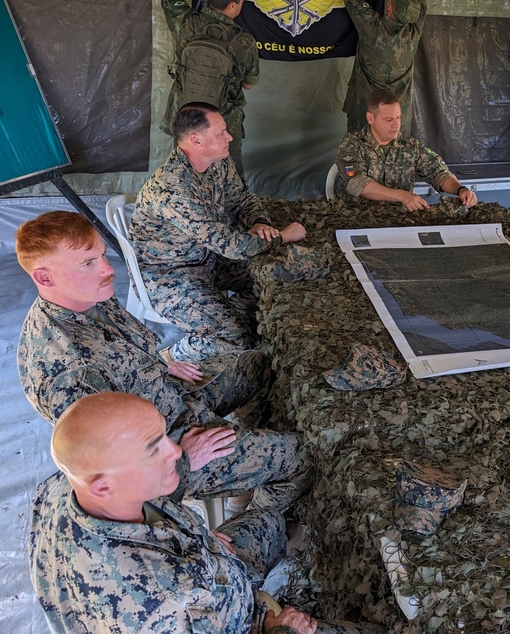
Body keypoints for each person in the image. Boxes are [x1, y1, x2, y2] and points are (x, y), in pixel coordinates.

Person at [16, 210, 307, 511]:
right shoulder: (70, 371)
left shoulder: (85, 295)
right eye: (88, 262)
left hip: (169, 398)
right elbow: (115, 483)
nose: (107, 268)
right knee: (299, 455)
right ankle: (255, 528)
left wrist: (157, 364)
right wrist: (185, 459)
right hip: (168, 455)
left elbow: (121, 351)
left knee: (255, 365)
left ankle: (247, 474)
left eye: (102, 255)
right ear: (44, 277)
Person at [29, 392, 318, 634]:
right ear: (103, 486)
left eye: (164, 435)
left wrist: (198, 541)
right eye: (153, 450)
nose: (176, 452)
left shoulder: (62, 488)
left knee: (269, 521)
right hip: (236, 621)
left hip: (215, 575)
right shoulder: (164, 605)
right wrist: (282, 629)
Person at [132, 102, 312, 361]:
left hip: (208, 259)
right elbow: (231, 245)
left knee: (273, 278)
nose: (229, 137)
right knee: (236, 337)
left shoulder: (217, 162)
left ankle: (229, 317)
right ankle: (169, 358)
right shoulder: (173, 189)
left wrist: (260, 221)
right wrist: (282, 236)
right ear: (196, 140)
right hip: (171, 275)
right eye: (221, 133)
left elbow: (243, 200)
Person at [160, 0, 259, 175]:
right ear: (233, 5)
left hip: (186, 119)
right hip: (224, 124)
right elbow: (248, 83)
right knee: (229, 181)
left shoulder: (185, 21)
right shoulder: (244, 41)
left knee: (184, 176)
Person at [340, 0, 426, 134]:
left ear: (389, 6)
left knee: (359, 164)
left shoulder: (371, 28)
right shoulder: (413, 31)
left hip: (366, 116)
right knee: (395, 165)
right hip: (396, 122)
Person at [334, 88, 478, 211]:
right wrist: (402, 195)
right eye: (389, 120)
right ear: (370, 118)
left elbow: (437, 171)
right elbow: (357, 184)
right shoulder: (352, 144)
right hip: (356, 219)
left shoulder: (409, 145)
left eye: (398, 118)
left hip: (399, 220)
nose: (396, 125)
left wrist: (460, 189)